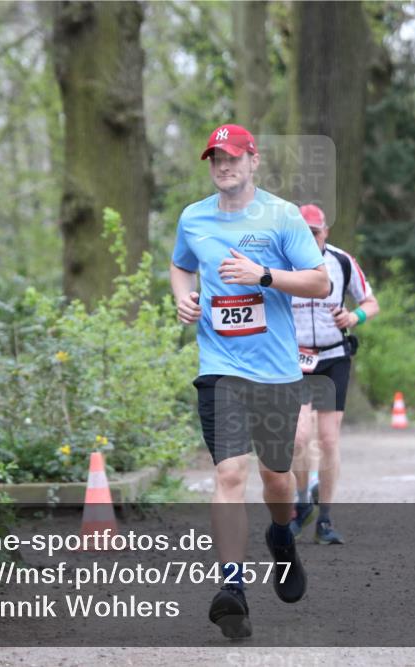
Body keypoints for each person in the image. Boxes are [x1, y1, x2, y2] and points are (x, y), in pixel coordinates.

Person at [170, 123, 330, 638]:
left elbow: (320, 281)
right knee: (229, 475)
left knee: (276, 479)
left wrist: (263, 275)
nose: (224, 165)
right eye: (216, 158)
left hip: (277, 372)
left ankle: (281, 535)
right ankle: (231, 587)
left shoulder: (282, 216)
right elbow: (180, 265)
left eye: (233, 156)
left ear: (253, 160)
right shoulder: (193, 218)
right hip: (219, 369)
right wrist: (183, 295)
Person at [288, 204, 379, 545]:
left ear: (325, 231)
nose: (310, 238)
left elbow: (371, 303)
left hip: (333, 358)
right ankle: (301, 501)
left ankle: (324, 519)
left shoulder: (341, 261)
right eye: (303, 232)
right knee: (298, 438)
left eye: (315, 232)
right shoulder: (282, 262)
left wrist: (355, 318)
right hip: (294, 361)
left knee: (328, 440)